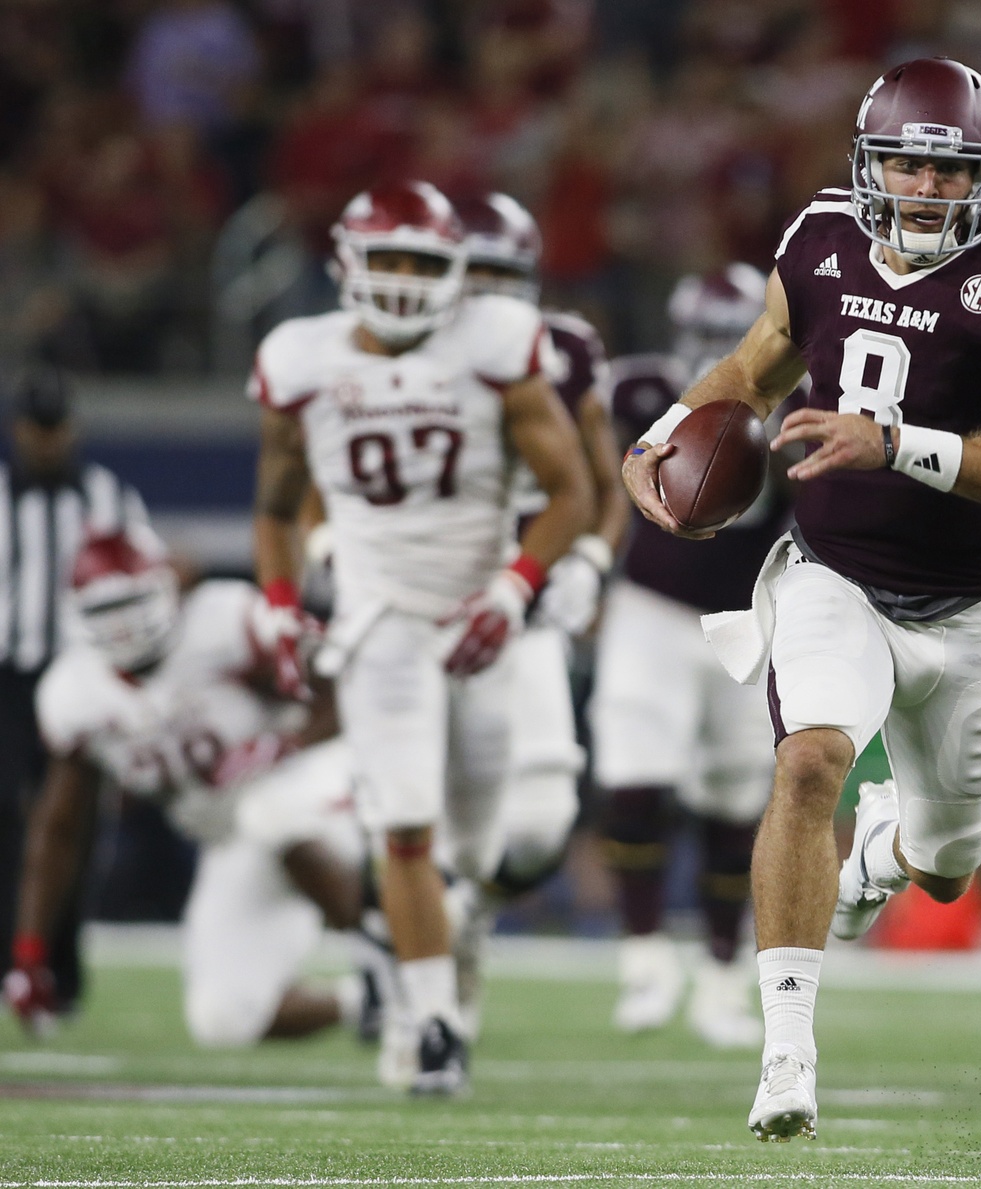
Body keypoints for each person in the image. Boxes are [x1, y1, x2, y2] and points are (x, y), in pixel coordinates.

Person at [620, 58, 981, 1140]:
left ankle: (880, 851)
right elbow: (754, 364)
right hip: (834, 575)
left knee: (945, 867)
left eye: (947, 168)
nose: (924, 186)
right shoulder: (821, 241)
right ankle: (784, 1053)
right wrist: (652, 446)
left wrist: (892, 443)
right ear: (867, 162)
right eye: (906, 161)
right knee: (807, 760)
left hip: (968, 607)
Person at [247, 181, 594, 1094]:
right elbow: (277, 504)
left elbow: (572, 492)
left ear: (459, 277)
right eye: (386, 260)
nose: (401, 281)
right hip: (377, 619)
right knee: (405, 823)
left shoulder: (496, 348)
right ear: (346, 265)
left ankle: (439, 954)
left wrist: (516, 592)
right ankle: (432, 1017)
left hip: (480, 612)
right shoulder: (301, 357)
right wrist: (283, 600)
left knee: (478, 847)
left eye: (421, 262)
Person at [5, 532, 369, 1048]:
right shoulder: (76, 694)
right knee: (223, 1018)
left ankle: (395, 950)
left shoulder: (221, 622)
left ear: (164, 589)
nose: (125, 624)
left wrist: (285, 744)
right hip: (232, 837)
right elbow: (60, 828)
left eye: (133, 603)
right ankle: (373, 998)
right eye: (107, 609)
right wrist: (30, 953)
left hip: (314, 787)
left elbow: (344, 689)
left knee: (270, 810)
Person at [594, 264, 795, 1049]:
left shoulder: (801, 400)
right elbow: (599, 474)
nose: (715, 351)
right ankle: (644, 958)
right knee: (633, 779)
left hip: (747, 614)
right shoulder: (641, 391)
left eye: (729, 334)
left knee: (733, 800)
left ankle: (718, 975)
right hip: (650, 608)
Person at [444, 191, 626, 1040]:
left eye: (501, 275)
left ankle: (468, 908)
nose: (484, 292)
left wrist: (587, 558)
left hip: (523, 600)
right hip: (426, 598)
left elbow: (606, 474)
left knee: (543, 819)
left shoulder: (565, 351)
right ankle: (403, 950)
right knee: (414, 797)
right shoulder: (397, 351)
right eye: (471, 272)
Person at [0, 367, 161, 1024]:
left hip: (83, 673)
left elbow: (148, 575)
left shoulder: (107, 498)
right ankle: (21, 963)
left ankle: (56, 971)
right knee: (10, 823)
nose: (45, 440)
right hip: (9, 676)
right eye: (35, 428)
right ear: (18, 429)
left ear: (71, 428)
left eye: (54, 426)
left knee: (72, 826)